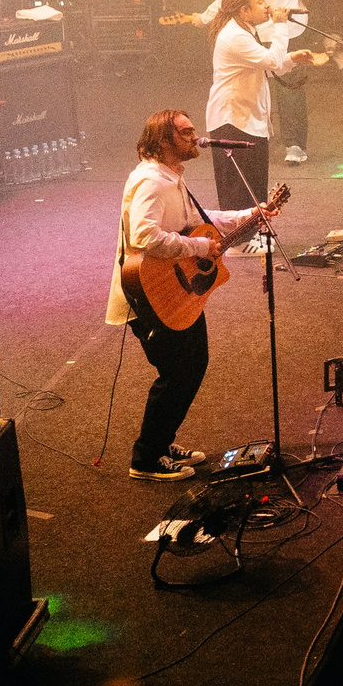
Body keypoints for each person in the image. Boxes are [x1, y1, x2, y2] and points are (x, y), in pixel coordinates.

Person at [105, 110, 261, 481]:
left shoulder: (171, 177)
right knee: (177, 373)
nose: (196, 137)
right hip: (151, 293)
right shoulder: (152, 182)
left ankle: (161, 441)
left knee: (194, 364)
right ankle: (145, 458)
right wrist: (197, 249)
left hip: (179, 290)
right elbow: (144, 237)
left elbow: (201, 219)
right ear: (163, 140)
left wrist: (250, 214)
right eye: (186, 132)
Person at [199, 0, 329, 166]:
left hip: (258, 29)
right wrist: (298, 1)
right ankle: (295, 145)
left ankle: (255, 135)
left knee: (255, 83)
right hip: (293, 26)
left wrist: (204, 17)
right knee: (291, 88)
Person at [205, 0, 325, 206]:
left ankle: (254, 240)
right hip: (233, 122)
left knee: (254, 194)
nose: (267, 6)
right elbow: (271, 60)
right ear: (244, 11)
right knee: (238, 196)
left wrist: (291, 59)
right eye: (260, 2)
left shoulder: (246, 32)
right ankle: (241, 241)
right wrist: (281, 25)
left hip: (246, 120)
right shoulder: (235, 36)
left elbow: (266, 67)